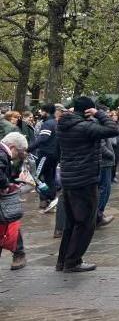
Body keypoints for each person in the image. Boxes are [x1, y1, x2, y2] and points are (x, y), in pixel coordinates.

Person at [56, 97, 119, 273]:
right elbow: (113, 128)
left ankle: (63, 261)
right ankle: (73, 261)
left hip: (69, 178)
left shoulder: (63, 124)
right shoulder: (85, 127)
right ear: (87, 110)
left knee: (71, 223)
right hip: (84, 179)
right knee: (85, 223)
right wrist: (99, 113)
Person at [0, 132, 29, 270]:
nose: (19, 155)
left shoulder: (4, 155)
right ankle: (19, 252)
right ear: (12, 147)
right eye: (20, 151)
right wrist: (7, 185)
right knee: (9, 220)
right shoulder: (2, 154)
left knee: (9, 221)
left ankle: (19, 252)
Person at [30, 104, 61, 212]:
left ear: (46, 112)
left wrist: (28, 149)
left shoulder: (48, 123)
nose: (40, 113)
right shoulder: (55, 122)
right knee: (49, 178)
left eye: (41, 111)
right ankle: (47, 199)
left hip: (45, 155)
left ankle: (50, 197)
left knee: (35, 177)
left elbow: (43, 138)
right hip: (54, 155)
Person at [96, 133, 117, 227]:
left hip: (102, 162)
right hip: (104, 163)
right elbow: (101, 145)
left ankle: (97, 215)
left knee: (103, 189)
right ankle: (98, 216)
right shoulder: (99, 123)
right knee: (104, 189)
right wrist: (111, 155)